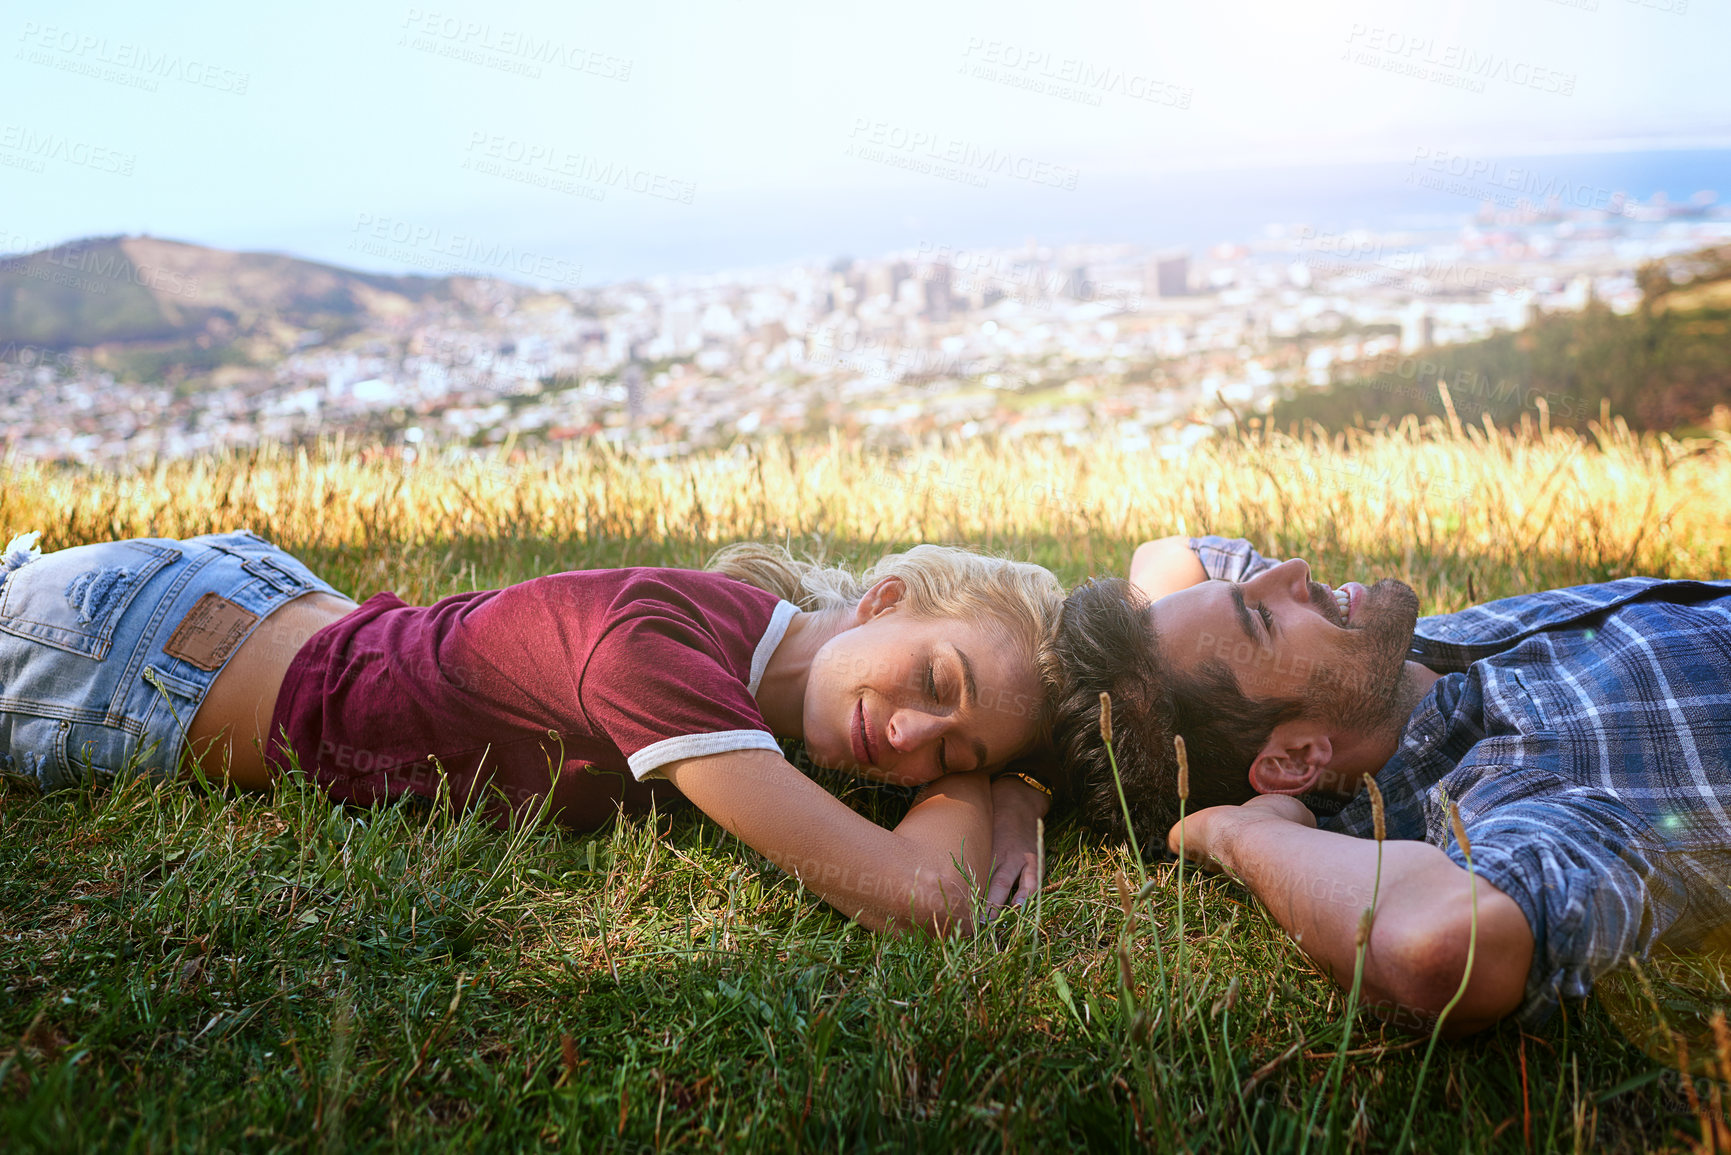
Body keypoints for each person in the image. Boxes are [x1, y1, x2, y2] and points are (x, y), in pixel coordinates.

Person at [0, 529, 1062, 934]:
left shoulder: (761, 661)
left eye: (950, 750)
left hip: (266, 597)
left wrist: (1025, 781)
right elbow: (922, 899)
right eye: (936, 679)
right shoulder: (655, 653)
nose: (913, 736)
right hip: (134, 658)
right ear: (882, 599)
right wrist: (984, 787)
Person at [1053, 533, 1731, 1035]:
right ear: (1292, 761)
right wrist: (1240, 831)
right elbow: (1438, 943)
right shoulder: (1509, 784)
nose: (1291, 570)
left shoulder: (1372, 665)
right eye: (1260, 617)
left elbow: (1178, 552)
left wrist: (1029, 773)